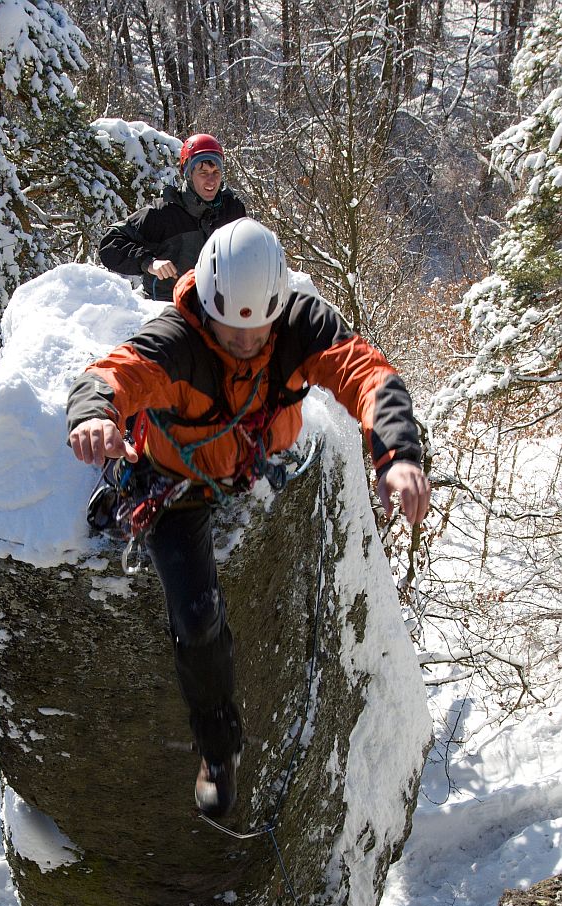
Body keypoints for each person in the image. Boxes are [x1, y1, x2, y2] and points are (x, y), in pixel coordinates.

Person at [68, 218, 431, 820]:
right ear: (205, 308)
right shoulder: (176, 338)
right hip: (175, 485)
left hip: (249, 456)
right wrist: (95, 415)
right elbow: (112, 375)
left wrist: (396, 454)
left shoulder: (300, 324)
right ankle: (218, 747)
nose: (246, 341)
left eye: (257, 329)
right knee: (197, 615)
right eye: (230, 330)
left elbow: (370, 376)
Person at [98, 133, 246, 301]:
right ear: (188, 174)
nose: (211, 181)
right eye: (203, 173)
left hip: (220, 309)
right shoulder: (162, 213)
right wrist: (149, 263)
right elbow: (109, 243)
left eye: (216, 172)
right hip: (167, 309)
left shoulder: (232, 211)